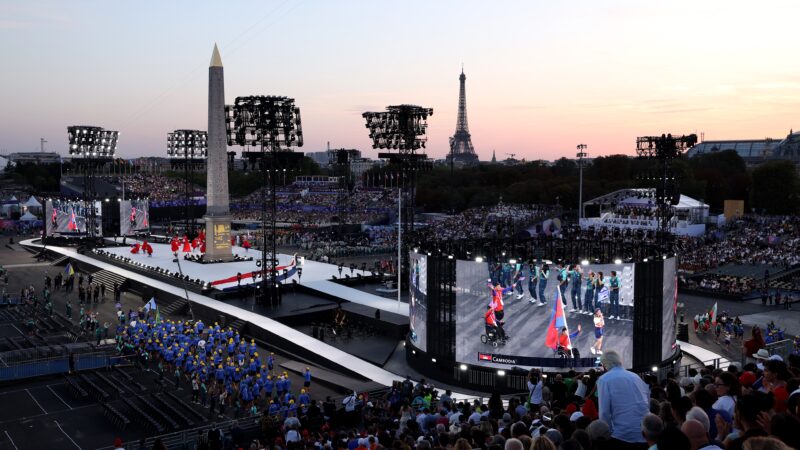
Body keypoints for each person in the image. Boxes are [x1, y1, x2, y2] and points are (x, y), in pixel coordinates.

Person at [597, 350, 649, 448]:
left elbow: (604, 412)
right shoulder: (635, 377)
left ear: (604, 365)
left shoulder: (604, 379)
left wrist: (608, 433)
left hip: (621, 435)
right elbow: (646, 402)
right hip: (643, 434)